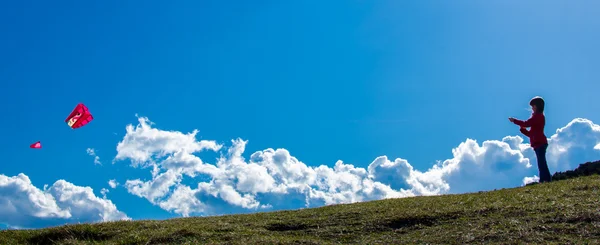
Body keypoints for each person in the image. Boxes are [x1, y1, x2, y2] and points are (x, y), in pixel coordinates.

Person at [509, 96, 552, 183]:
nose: (532, 108)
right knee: (541, 162)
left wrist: (515, 121)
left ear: (536, 106)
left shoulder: (538, 117)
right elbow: (531, 134)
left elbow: (527, 123)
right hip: (538, 143)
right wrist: (522, 130)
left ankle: (545, 179)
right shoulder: (537, 117)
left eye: (533, 106)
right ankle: (544, 179)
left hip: (540, 143)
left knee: (541, 163)